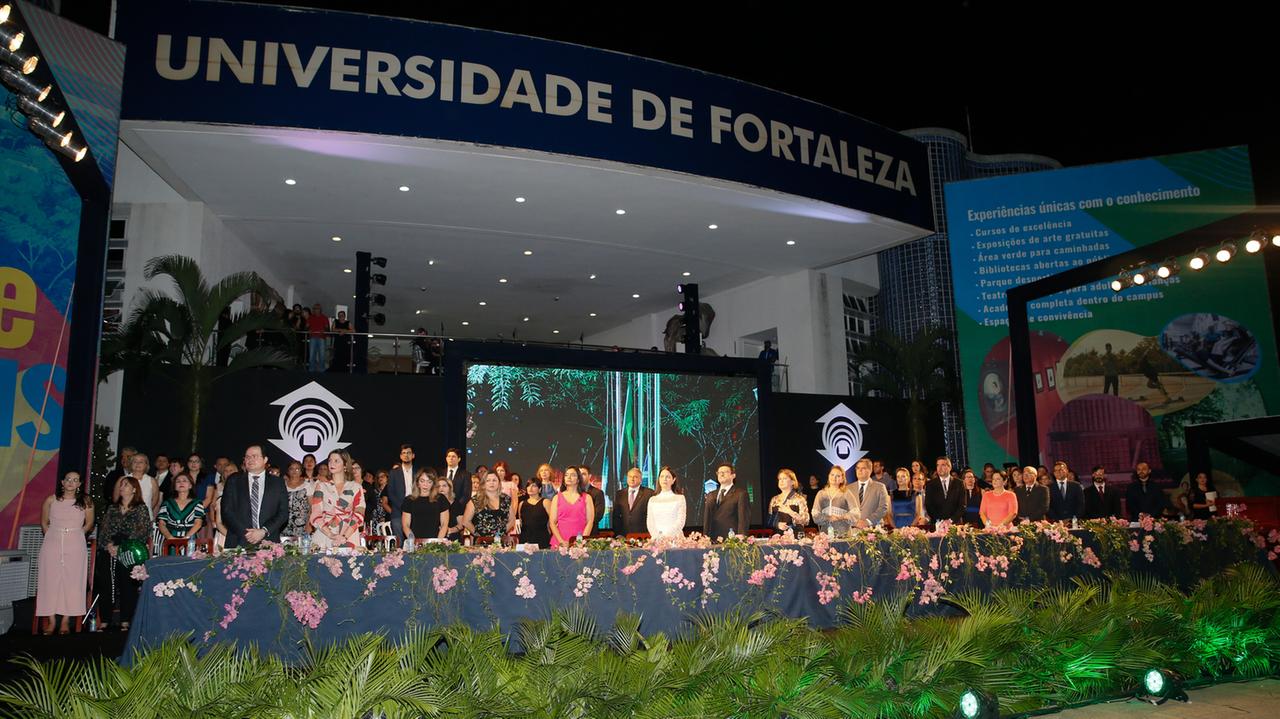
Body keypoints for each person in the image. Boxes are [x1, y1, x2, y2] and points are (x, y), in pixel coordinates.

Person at [37, 471, 94, 635]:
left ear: (79, 484)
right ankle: (51, 620)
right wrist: (52, 534)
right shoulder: (51, 499)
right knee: (50, 579)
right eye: (68, 479)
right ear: (62, 482)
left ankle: (65, 620)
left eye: (75, 480)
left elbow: (89, 523)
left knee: (72, 580)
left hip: (75, 541)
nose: (70, 482)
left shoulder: (86, 501)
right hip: (53, 541)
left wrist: (76, 534)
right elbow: (44, 521)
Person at [95, 476, 151, 632]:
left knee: (127, 584)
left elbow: (142, 531)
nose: (121, 487)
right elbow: (104, 529)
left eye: (125, 485)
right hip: (110, 549)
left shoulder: (141, 508)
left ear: (134, 489)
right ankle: (105, 619)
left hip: (129, 551)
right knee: (106, 583)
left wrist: (122, 546)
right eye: (121, 485)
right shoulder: (112, 508)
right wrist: (109, 545)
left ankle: (125, 619)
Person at [221, 445, 289, 550]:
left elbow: (283, 513)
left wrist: (263, 531)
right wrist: (248, 534)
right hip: (238, 541)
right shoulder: (233, 481)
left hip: (268, 542)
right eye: (247, 457)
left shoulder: (277, 483)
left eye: (254, 456)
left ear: (265, 459)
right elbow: (226, 511)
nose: (250, 459)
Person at [307, 450, 366, 549]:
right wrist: (331, 535)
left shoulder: (355, 487)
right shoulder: (321, 486)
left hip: (349, 536)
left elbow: (359, 514)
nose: (331, 463)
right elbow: (316, 514)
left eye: (336, 461)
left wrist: (344, 536)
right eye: (330, 460)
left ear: (345, 465)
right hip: (324, 535)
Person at [463, 470, 516, 541]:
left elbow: (512, 520)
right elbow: (465, 521)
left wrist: (502, 532)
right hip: (481, 544)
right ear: (484, 483)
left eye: (494, 480)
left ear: (499, 483)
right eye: (488, 480)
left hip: (501, 542)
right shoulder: (475, 500)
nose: (492, 483)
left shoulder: (506, 499)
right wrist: (478, 534)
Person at [548, 466, 593, 547]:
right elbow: (552, 522)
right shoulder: (557, 498)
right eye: (566, 475)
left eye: (573, 475)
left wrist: (580, 542)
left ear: (578, 479)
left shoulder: (587, 497)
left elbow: (590, 521)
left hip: (580, 543)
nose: (569, 477)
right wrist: (561, 542)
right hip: (559, 543)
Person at [387, 444, 425, 540]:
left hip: (416, 510)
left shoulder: (419, 472)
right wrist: (403, 506)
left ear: (413, 455)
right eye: (403, 453)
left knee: (415, 541)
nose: (406, 455)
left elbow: (423, 490)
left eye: (408, 453)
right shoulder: (394, 473)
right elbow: (390, 492)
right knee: (399, 543)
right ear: (400, 456)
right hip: (398, 511)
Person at [702, 462, 749, 540]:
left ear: (733, 475)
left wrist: (741, 535)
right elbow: (707, 518)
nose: (721, 474)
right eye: (719, 472)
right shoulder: (710, 495)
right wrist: (705, 537)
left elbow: (743, 517)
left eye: (725, 472)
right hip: (713, 539)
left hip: (732, 540)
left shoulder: (741, 494)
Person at [156, 473, 207, 543]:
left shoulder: (197, 503)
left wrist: (186, 539)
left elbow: (198, 523)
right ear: (175, 487)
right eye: (178, 481)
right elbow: (161, 524)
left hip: (190, 540)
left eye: (184, 481)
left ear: (190, 485)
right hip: (170, 541)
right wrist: (170, 538)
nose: (181, 483)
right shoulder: (167, 503)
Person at [402, 471, 450, 542]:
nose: (425, 485)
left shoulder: (441, 499)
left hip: (436, 540)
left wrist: (437, 542)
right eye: (422, 481)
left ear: (433, 484)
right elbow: (405, 525)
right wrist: (413, 541)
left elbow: (444, 524)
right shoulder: (409, 500)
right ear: (417, 483)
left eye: (429, 482)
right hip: (415, 541)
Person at [812, 465, 859, 536]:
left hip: (843, 533)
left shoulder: (846, 493)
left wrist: (842, 517)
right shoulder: (821, 494)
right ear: (828, 476)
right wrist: (828, 517)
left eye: (838, 476)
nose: (834, 477)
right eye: (832, 475)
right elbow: (815, 514)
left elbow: (856, 513)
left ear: (842, 479)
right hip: (825, 534)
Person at [646, 466, 687, 538]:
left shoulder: (680, 498)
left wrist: (667, 537)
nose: (664, 479)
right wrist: (657, 536)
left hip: (675, 539)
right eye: (662, 476)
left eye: (668, 477)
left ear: (673, 480)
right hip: (657, 539)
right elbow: (650, 522)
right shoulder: (652, 500)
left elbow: (680, 521)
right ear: (658, 479)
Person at [850, 458, 891, 528]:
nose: (860, 470)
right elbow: (845, 509)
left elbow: (883, 508)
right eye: (858, 468)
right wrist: (855, 522)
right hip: (854, 529)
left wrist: (867, 521)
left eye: (863, 468)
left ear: (870, 470)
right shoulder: (848, 488)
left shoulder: (880, 487)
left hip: (874, 529)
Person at [612, 467, 654, 535]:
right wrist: (617, 534)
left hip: (642, 534)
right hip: (623, 535)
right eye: (630, 476)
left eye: (635, 477)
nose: (632, 479)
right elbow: (616, 516)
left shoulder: (649, 493)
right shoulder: (620, 494)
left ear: (641, 479)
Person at [924, 456, 965, 526]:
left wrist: (950, 520)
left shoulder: (959, 483)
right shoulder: (930, 484)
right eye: (938, 465)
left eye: (943, 465)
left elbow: (962, 505)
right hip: (937, 524)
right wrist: (940, 521)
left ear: (949, 467)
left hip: (955, 524)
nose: (939, 468)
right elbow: (929, 505)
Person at [766, 468, 810, 533]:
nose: (781, 481)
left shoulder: (799, 499)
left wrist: (790, 512)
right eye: (780, 479)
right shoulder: (774, 499)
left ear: (793, 482)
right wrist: (777, 524)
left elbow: (806, 521)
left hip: (795, 537)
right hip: (778, 538)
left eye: (784, 478)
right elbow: (769, 520)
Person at [517, 476, 552, 548]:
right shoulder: (521, 504)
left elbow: (552, 522)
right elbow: (521, 523)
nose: (530, 488)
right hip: (525, 540)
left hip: (542, 540)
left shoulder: (546, 502)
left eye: (534, 486)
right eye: (528, 485)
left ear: (539, 489)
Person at [281, 460, 312, 540]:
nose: (294, 471)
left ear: (301, 471)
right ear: (288, 471)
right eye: (291, 469)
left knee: (301, 548)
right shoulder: (281, 485)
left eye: (297, 469)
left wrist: (309, 524)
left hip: (302, 524)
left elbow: (311, 507)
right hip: (284, 523)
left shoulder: (307, 485)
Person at [579, 464, 607, 531]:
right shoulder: (573, 493)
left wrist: (583, 523)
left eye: (583, 474)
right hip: (573, 531)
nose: (581, 477)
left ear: (589, 476)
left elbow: (598, 515)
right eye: (579, 474)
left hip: (591, 531)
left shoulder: (597, 493)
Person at [306, 302, 329, 372]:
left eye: (318, 309)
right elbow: (306, 327)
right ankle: (311, 371)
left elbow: (328, 329)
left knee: (322, 356)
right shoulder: (310, 317)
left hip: (321, 338)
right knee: (311, 356)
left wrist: (324, 330)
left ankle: (322, 370)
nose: (316, 310)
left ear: (320, 310)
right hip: (312, 337)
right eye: (315, 309)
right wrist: (308, 329)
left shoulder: (324, 317)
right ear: (313, 309)